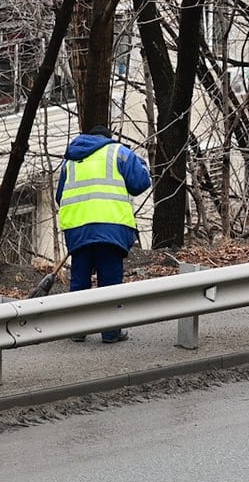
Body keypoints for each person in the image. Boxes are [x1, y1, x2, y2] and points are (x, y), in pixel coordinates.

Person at [56, 124, 152, 343]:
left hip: (78, 229)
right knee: (110, 281)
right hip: (110, 227)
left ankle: (78, 331)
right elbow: (140, 183)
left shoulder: (70, 161)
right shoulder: (118, 152)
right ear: (107, 138)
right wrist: (140, 162)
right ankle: (110, 332)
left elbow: (60, 196)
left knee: (80, 281)